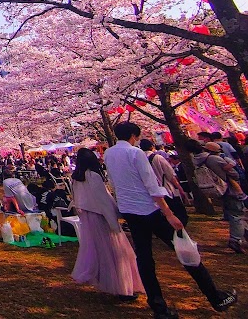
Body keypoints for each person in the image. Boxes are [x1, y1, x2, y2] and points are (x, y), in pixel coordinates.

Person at [105, 123, 237, 317]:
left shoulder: (109, 154)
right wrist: (168, 213)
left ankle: (158, 307)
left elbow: (115, 182)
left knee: (144, 258)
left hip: (129, 210)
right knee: (185, 248)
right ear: (134, 135)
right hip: (150, 209)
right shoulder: (135, 153)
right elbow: (151, 184)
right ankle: (215, 296)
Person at [71, 148, 144, 299]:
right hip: (101, 216)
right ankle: (123, 288)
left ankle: (107, 281)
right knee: (116, 252)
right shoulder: (93, 176)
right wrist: (115, 220)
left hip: (88, 217)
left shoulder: (77, 177)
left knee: (100, 252)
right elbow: (103, 201)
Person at [186, 139, 247, 254]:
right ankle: (235, 240)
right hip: (228, 188)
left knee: (232, 212)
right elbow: (234, 174)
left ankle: (243, 233)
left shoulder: (196, 160)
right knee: (237, 213)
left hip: (216, 189)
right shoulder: (214, 159)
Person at [139, 139, 190, 226]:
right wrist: (180, 189)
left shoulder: (139, 159)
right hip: (166, 189)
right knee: (179, 212)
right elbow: (170, 175)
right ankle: (178, 230)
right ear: (152, 146)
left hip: (149, 192)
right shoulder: (158, 158)